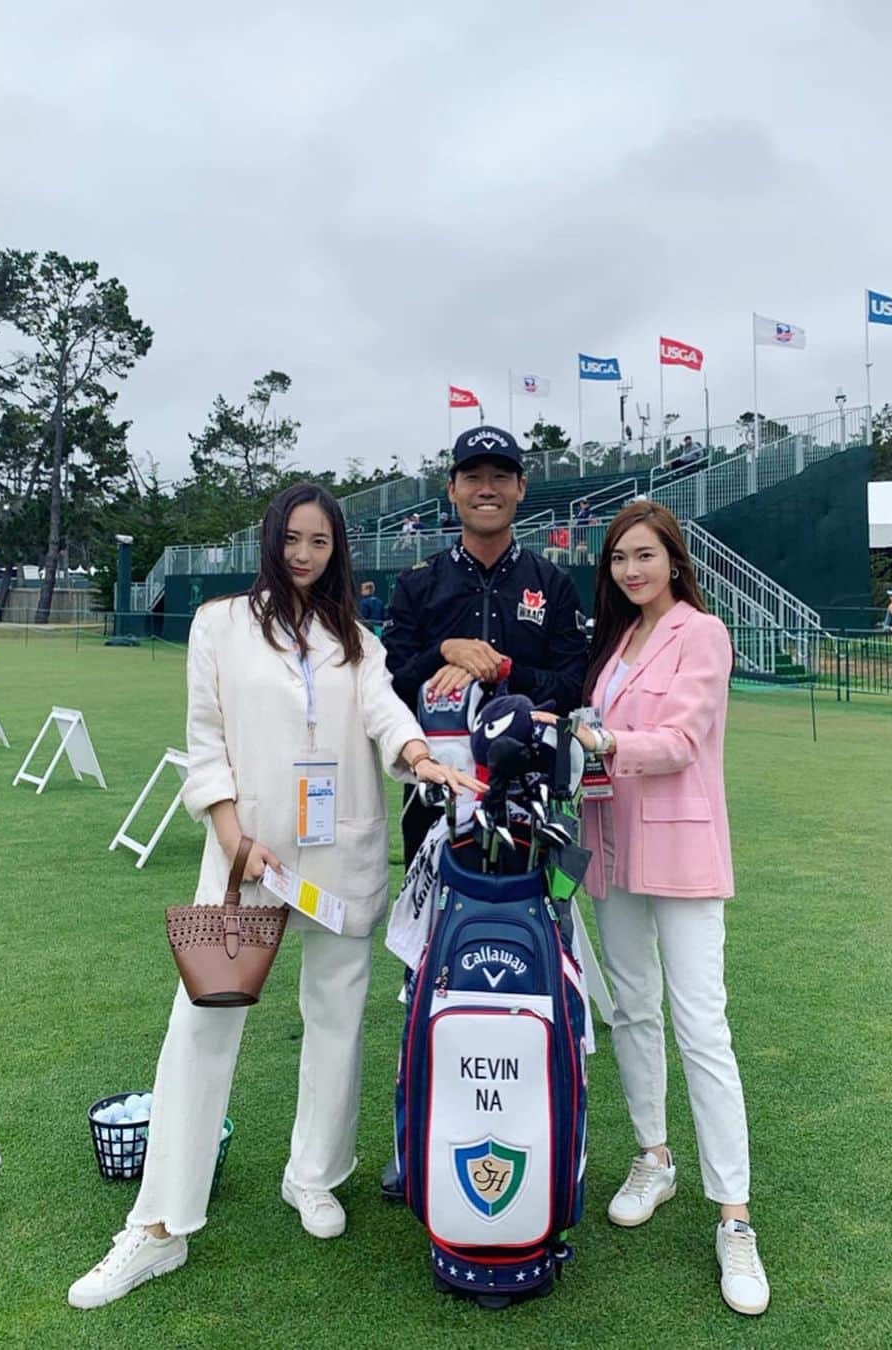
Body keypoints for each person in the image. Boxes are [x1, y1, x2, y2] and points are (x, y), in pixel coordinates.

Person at [68, 483, 478, 1310]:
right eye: (292, 538)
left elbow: (386, 710)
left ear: (337, 551)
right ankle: (159, 1224)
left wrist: (420, 755)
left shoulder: (354, 639)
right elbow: (205, 737)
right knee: (203, 1024)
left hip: (341, 859)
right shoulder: (218, 624)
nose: (302, 554)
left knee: (337, 1020)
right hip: (248, 861)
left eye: (319, 542)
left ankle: (315, 1176)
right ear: (269, 540)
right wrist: (230, 836)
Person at [567, 499, 770, 1317]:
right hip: (611, 849)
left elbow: (684, 739)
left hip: (681, 850)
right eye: (619, 558)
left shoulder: (702, 633)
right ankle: (654, 1156)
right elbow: (597, 731)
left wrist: (609, 743)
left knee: (702, 1026)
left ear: (674, 560)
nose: (631, 569)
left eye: (644, 555)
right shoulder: (617, 642)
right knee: (633, 1013)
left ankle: (735, 1216)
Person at [379, 424, 588, 1200]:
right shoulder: (421, 583)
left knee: (538, 963)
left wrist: (503, 667)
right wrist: (441, 653)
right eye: (474, 474)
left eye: (503, 473)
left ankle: (546, 1123)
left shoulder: (554, 583)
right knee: (426, 969)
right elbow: (388, 683)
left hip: (535, 810)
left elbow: (574, 679)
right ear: (453, 488)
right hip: (437, 811)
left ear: (522, 490)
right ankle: (417, 1136)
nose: (488, 486)